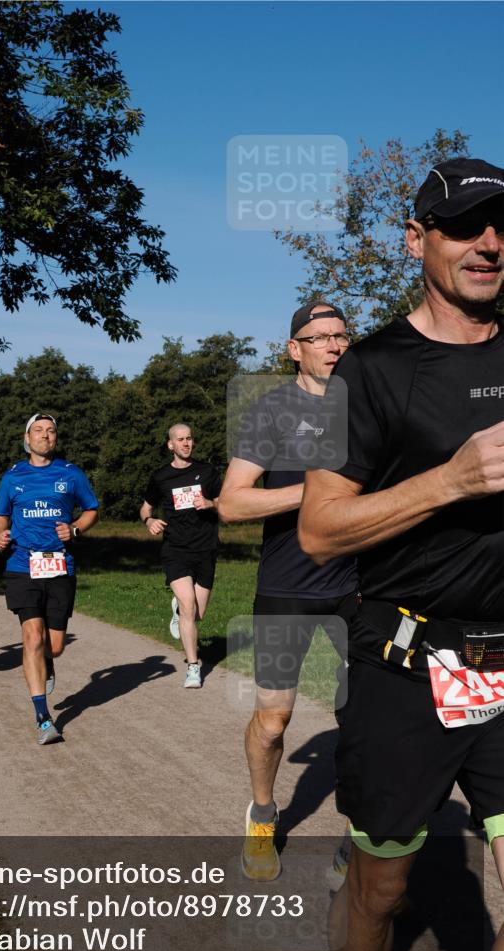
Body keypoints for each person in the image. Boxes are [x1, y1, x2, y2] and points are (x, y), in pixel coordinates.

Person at [298, 157, 504, 951]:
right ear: (418, 239)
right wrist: (450, 481)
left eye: (502, 226)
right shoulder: (371, 369)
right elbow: (317, 531)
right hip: (408, 666)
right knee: (382, 891)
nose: (489, 243)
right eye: (464, 227)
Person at [218, 301, 357, 880]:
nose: (333, 345)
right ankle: (263, 812)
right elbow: (230, 503)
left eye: (342, 335)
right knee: (273, 721)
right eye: (319, 336)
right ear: (293, 349)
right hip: (287, 587)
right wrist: (313, 491)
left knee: (372, 720)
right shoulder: (271, 410)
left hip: (362, 587)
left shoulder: (370, 406)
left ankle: (364, 837)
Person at [0, 414, 99, 745]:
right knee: (32, 635)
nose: (45, 436)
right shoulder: (13, 477)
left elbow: (92, 509)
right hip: (22, 564)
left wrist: (76, 528)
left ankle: (48, 663)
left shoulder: (70, 474)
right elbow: (0, 518)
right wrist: (0, 536)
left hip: (59, 566)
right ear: (27, 437)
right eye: (39, 431)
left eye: (51, 431)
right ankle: (42, 717)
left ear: (56, 439)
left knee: (54, 646)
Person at [140, 424, 222, 689]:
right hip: (175, 550)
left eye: (189, 439)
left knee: (197, 613)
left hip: (206, 548)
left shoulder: (207, 471)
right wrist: (149, 521)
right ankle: (193, 667)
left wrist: (211, 504)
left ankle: (178, 610)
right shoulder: (161, 477)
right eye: (180, 439)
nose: (186, 443)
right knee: (189, 606)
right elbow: (145, 507)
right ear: (170, 445)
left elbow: (227, 501)